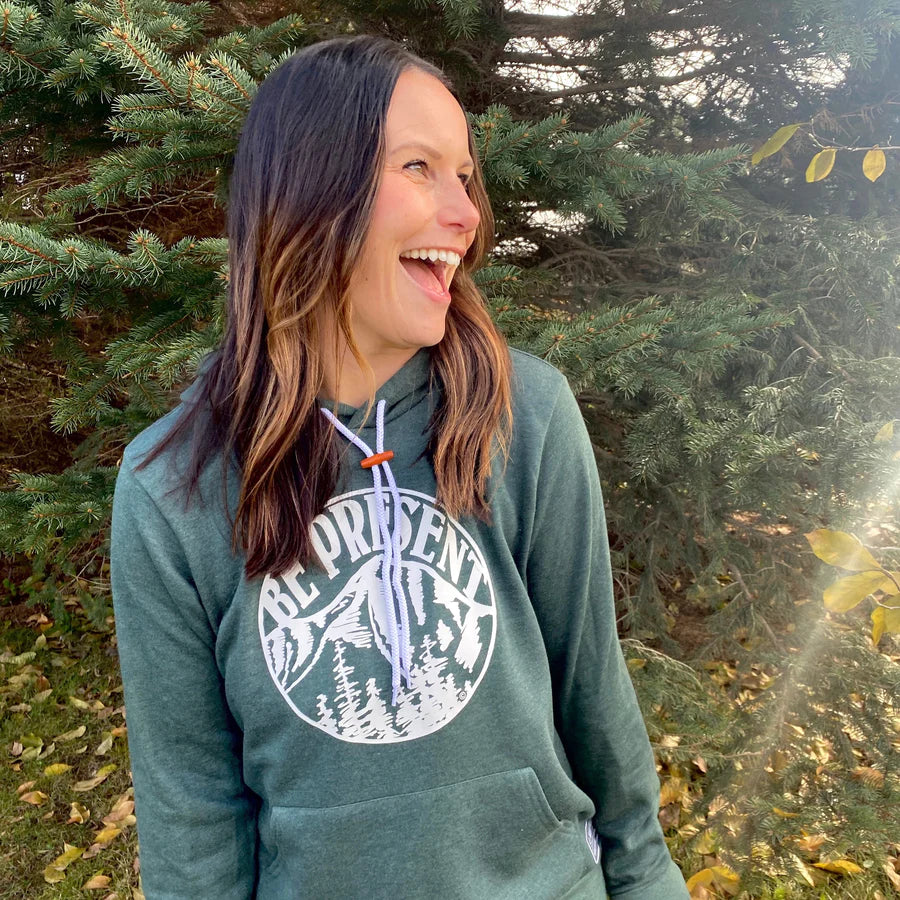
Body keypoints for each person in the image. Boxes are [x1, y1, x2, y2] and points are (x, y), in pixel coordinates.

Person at [110, 34, 689, 900]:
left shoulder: (524, 416)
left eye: (466, 177)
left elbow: (596, 701)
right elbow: (191, 810)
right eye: (420, 167)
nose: (468, 214)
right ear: (308, 192)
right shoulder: (174, 488)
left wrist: (649, 882)